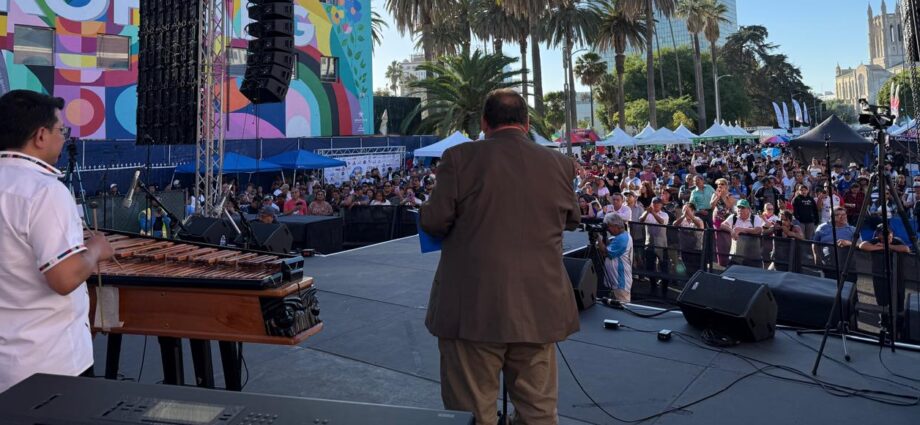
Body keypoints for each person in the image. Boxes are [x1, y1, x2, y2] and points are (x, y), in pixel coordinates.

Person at [419, 89, 580, 425]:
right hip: (539, 307)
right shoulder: (560, 164)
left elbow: (434, 221)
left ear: (484, 123)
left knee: (473, 413)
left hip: (472, 308)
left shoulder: (459, 158)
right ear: (527, 123)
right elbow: (570, 220)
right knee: (539, 413)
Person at [0, 90, 115, 393]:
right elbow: (63, 278)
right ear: (41, 136)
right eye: (61, 130)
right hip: (48, 365)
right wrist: (95, 250)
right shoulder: (45, 191)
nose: (63, 139)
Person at [720, 199, 765, 267]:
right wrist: (731, 231)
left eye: (743, 207)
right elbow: (722, 225)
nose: (740, 210)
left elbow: (758, 230)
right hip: (736, 257)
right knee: (732, 272)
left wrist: (741, 230)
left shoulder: (755, 218)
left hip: (753, 256)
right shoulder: (733, 217)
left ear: (748, 209)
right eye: (738, 207)